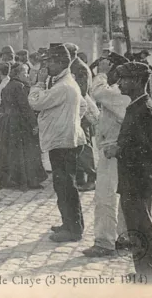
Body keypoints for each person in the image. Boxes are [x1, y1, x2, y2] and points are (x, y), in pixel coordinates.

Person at [107, 62, 152, 284]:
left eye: (125, 79)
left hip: (139, 181)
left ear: (139, 82)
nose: (120, 83)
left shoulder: (144, 109)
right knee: (138, 228)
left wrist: (119, 150)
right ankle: (147, 273)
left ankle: (148, 277)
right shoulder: (137, 106)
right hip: (136, 179)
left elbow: (151, 151)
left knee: (141, 229)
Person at [28, 45, 87, 243]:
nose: (47, 65)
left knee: (66, 186)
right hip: (65, 139)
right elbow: (84, 105)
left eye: (50, 61)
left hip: (64, 143)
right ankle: (69, 224)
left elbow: (35, 102)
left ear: (62, 62)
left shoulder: (62, 86)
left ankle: (74, 229)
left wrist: (39, 83)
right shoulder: (66, 82)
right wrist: (68, 120)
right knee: (63, 185)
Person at [82, 53, 130, 258]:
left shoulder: (119, 94)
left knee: (105, 197)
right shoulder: (120, 93)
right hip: (116, 148)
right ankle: (123, 236)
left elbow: (99, 92)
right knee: (120, 196)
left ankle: (105, 241)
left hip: (113, 151)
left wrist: (101, 73)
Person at [0, 63, 47, 189]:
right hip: (20, 123)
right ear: (19, 74)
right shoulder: (20, 87)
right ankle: (29, 180)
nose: (27, 75)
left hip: (8, 123)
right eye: (25, 73)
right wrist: (34, 124)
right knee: (27, 150)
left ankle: (13, 179)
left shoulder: (7, 86)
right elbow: (26, 108)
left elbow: (2, 107)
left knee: (13, 152)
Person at [64, 43, 97, 192]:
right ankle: (80, 177)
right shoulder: (73, 66)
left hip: (82, 111)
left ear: (71, 53)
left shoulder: (80, 68)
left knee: (85, 145)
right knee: (77, 144)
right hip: (75, 110)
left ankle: (91, 177)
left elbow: (82, 91)